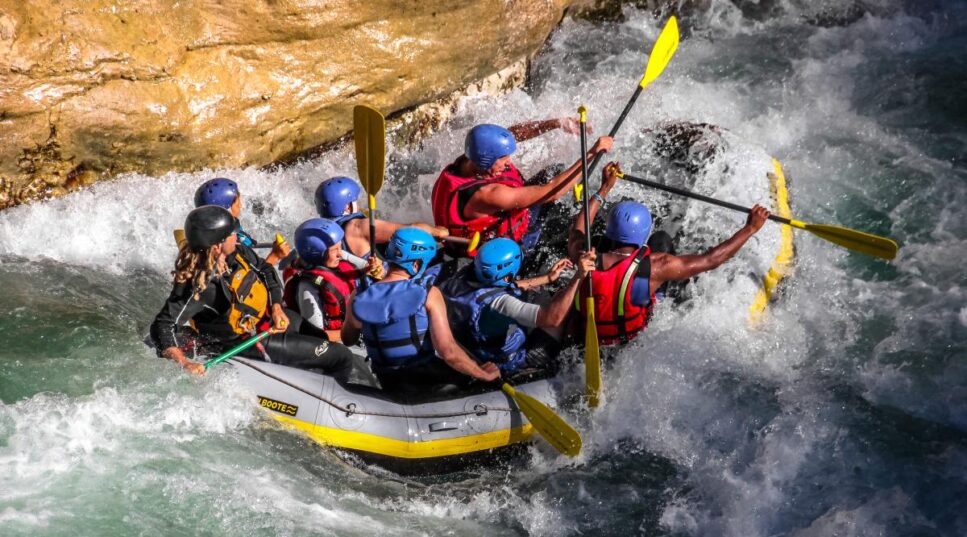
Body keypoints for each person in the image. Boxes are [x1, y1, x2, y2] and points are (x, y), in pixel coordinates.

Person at [567, 162, 770, 345]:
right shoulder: (658, 265)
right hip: (628, 340)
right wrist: (750, 229)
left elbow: (578, 230)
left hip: (587, 337)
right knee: (662, 240)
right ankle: (661, 293)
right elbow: (712, 259)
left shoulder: (585, 256)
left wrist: (604, 189)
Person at [149, 205, 357, 380]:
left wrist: (276, 306)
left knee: (324, 340)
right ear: (217, 246)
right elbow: (163, 325)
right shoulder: (200, 286)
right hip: (251, 342)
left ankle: (307, 372)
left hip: (272, 319)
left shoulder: (237, 253)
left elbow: (266, 271)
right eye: (232, 233)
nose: (237, 236)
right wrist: (184, 363)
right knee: (341, 357)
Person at [340, 228, 500, 390]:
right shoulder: (429, 294)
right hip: (427, 380)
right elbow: (448, 351)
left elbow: (348, 339)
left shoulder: (358, 294)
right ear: (416, 265)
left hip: (388, 381)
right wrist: (482, 373)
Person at [430, 119, 613, 256]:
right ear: (486, 160)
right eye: (503, 158)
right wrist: (591, 153)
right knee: (576, 226)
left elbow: (513, 134)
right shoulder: (489, 195)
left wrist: (557, 123)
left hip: (503, 213)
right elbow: (552, 191)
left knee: (556, 170)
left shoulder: (471, 158)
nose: (509, 161)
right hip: (508, 244)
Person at [438, 238, 596, 377]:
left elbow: (501, 286)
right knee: (563, 301)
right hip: (510, 360)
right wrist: (578, 277)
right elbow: (551, 318)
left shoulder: (463, 275)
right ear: (507, 276)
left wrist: (547, 278)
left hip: (476, 340)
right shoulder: (501, 304)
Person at [282, 218, 380, 342]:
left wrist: (375, 268)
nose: (341, 253)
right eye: (335, 250)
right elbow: (316, 336)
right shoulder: (307, 287)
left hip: (355, 323)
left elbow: (368, 268)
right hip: (338, 339)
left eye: (340, 247)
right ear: (316, 254)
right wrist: (357, 330)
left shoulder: (334, 256)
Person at [314, 176, 448, 261]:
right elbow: (409, 231)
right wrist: (436, 231)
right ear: (348, 207)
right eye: (355, 200)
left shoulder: (319, 234)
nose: (359, 203)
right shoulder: (359, 227)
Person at [193, 177, 291, 266]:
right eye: (237, 202)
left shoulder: (213, 231)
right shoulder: (226, 247)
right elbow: (253, 279)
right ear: (227, 210)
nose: (241, 205)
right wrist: (275, 256)